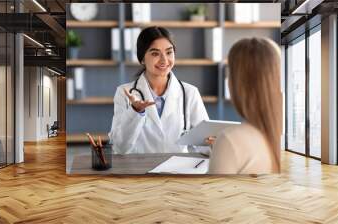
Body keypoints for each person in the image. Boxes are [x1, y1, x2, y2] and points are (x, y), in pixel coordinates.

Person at [109, 26, 209, 154]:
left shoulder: (190, 93)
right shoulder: (124, 92)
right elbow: (120, 148)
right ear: (142, 59)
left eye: (169, 52)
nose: (164, 60)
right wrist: (135, 111)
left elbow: (204, 145)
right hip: (140, 170)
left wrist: (213, 143)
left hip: (176, 170)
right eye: (155, 53)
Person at [208, 37, 282, 174]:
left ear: (236, 82)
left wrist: (223, 150)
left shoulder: (230, 139)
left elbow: (212, 194)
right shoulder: (287, 139)